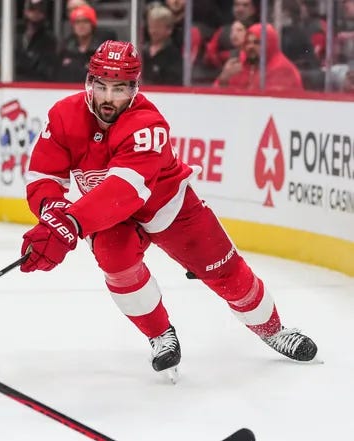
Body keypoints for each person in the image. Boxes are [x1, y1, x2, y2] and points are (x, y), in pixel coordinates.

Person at [20, 40, 318, 380]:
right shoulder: (63, 116)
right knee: (115, 261)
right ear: (89, 82)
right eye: (100, 85)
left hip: (169, 208)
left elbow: (124, 191)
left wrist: (70, 221)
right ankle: (160, 335)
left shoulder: (147, 123)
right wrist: (53, 214)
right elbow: (43, 177)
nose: (107, 97)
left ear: (134, 88)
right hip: (104, 217)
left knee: (225, 273)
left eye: (118, 88)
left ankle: (273, 329)